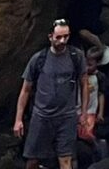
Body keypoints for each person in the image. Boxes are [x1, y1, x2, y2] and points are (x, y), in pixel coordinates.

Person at [15, 19, 92, 169]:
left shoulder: (76, 56)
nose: (62, 41)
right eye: (58, 37)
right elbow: (25, 90)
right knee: (33, 160)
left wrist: (83, 112)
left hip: (67, 117)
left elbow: (84, 84)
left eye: (66, 36)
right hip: (42, 116)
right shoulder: (39, 59)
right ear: (50, 36)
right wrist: (18, 119)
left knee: (66, 159)